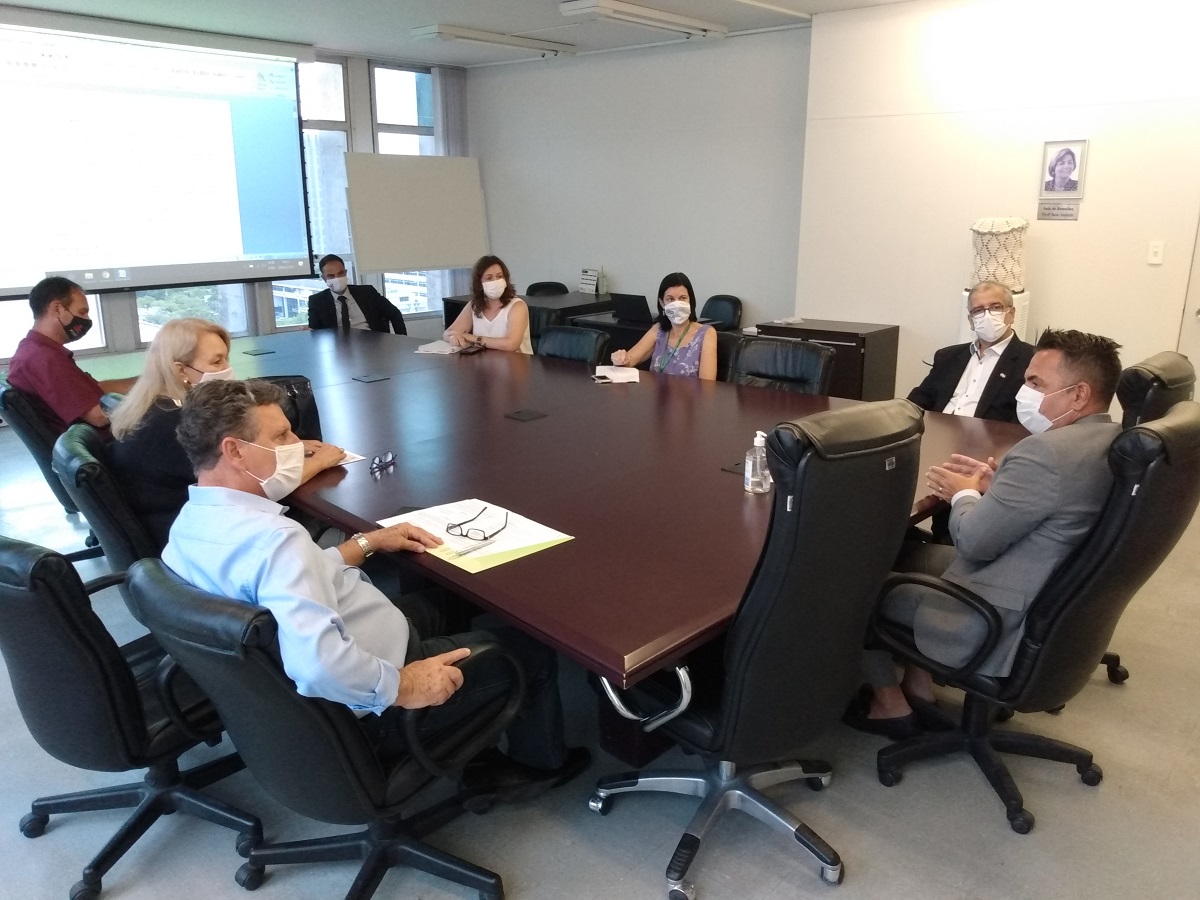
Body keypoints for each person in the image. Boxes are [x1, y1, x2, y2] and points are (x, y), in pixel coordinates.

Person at [162, 379, 588, 798]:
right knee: (529, 651)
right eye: (281, 435)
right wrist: (403, 687)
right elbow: (316, 665)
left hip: (297, 691)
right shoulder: (275, 540)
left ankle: (474, 733)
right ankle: (537, 769)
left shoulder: (189, 525)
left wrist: (364, 543)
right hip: (368, 700)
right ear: (234, 450)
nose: (298, 442)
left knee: (444, 601)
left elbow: (276, 587)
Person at [847, 329, 1122, 738]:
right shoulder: (1109, 439)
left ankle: (889, 706)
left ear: (1079, 395)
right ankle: (918, 685)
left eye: (1035, 384)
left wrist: (965, 497)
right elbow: (1052, 508)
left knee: (851, 581)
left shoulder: (1044, 454)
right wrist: (1000, 492)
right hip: (1042, 587)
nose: (1023, 393)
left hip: (994, 615)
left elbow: (973, 543)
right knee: (908, 550)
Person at [108, 319, 346, 546]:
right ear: (181, 370)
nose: (227, 369)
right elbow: (254, 490)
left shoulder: (149, 406)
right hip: (203, 542)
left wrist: (281, 444)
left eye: (226, 359)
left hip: (178, 531)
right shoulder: (174, 423)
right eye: (217, 362)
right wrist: (321, 461)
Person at [6, 276, 136, 435]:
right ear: (57, 308)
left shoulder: (33, 350)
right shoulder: (44, 359)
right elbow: (99, 416)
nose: (86, 319)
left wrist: (150, 380)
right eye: (82, 312)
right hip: (106, 446)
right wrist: (149, 396)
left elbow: (95, 389)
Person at [908, 282, 1035, 423]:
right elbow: (917, 403)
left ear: (1011, 313)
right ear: (971, 321)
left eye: (996, 307)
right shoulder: (947, 357)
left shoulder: (1031, 360)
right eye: (978, 310)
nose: (987, 315)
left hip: (989, 440)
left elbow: (1027, 420)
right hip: (937, 433)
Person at [609, 272, 717, 380]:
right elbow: (629, 360)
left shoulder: (706, 333)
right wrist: (620, 359)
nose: (677, 304)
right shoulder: (658, 329)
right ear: (662, 303)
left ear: (690, 301)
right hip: (657, 395)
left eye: (683, 298)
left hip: (691, 396)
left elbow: (707, 385)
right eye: (670, 299)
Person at [443, 256, 532, 354]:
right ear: (480, 283)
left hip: (517, 365)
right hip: (484, 364)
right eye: (489, 278)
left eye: (499, 276)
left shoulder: (517, 306)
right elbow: (448, 332)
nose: (495, 281)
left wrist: (474, 339)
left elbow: (511, 345)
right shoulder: (474, 305)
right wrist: (454, 337)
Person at [307, 254, 408, 334]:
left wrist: (401, 340)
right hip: (339, 350)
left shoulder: (367, 292)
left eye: (340, 273)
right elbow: (316, 332)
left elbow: (394, 313)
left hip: (373, 346)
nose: (337, 278)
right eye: (331, 276)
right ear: (324, 278)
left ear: (346, 273)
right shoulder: (317, 301)